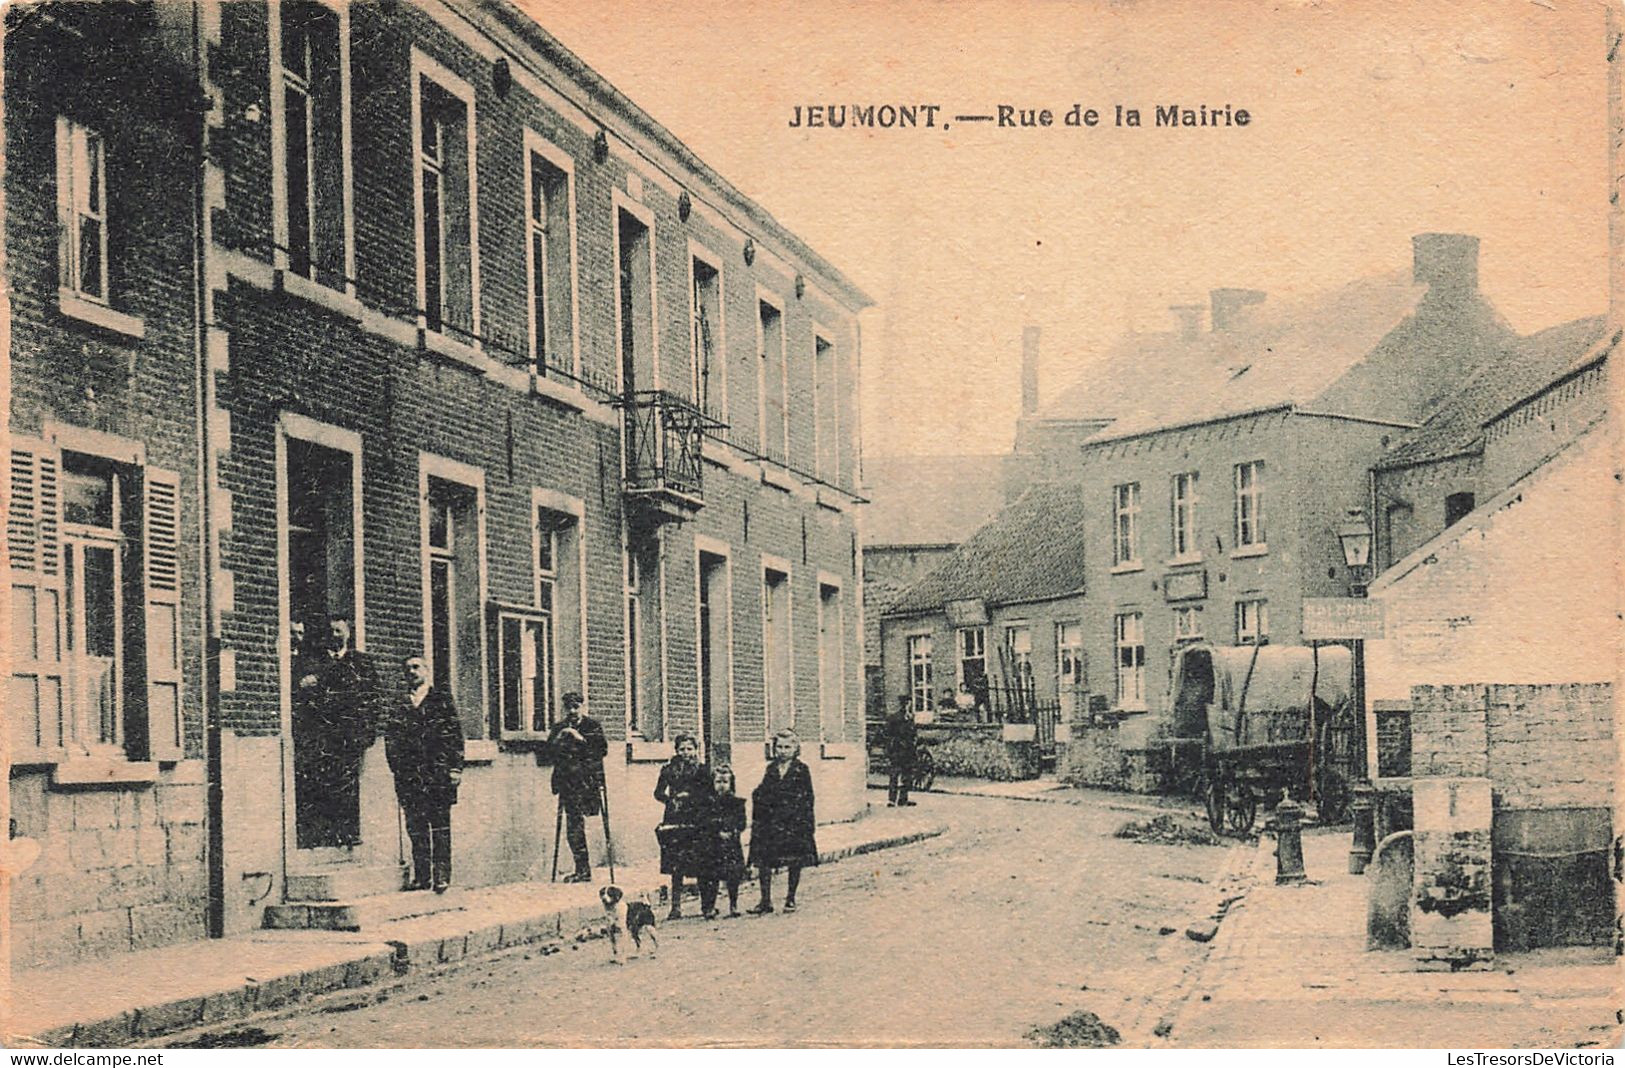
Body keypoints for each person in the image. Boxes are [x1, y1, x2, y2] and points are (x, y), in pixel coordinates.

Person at [296, 618, 380, 848]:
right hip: (324, 738)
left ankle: (349, 833)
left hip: (352, 737)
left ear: (348, 633)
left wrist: (367, 733)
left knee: (349, 784)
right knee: (324, 784)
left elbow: (372, 699)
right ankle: (327, 834)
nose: (334, 635)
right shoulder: (315, 661)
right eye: (331, 631)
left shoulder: (361, 662)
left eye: (339, 630)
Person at [385, 656, 465, 892]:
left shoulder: (441, 699)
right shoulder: (400, 703)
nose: (412, 672)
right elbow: (391, 739)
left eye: (416, 667)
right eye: (407, 668)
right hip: (409, 777)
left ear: (426, 671)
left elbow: (455, 736)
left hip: (438, 774)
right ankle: (422, 877)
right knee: (416, 828)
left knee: (440, 826)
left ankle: (441, 875)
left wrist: (455, 767)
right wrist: (397, 769)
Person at [748, 729, 818, 914]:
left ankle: (790, 898)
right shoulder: (771, 769)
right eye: (779, 747)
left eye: (787, 747)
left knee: (794, 860)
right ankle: (765, 901)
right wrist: (758, 795)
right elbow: (764, 790)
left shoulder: (801, 769)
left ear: (796, 748)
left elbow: (808, 798)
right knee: (764, 860)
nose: (783, 751)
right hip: (772, 823)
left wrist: (806, 823)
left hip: (792, 823)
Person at [546, 691, 608, 882]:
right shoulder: (559, 727)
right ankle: (583, 869)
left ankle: (584, 870)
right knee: (573, 827)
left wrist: (578, 737)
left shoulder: (592, 726)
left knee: (582, 821)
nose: (572, 711)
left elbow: (601, 751)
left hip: (588, 782)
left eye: (576, 706)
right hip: (567, 782)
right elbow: (547, 755)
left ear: (583, 706)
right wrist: (560, 738)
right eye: (568, 707)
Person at [653, 733, 712, 919]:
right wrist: (671, 800)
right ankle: (675, 907)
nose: (686, 753)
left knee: (701, 862)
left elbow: (710, 794)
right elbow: (658, 792)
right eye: (682, 749)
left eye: (689, 748)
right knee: (676, 864)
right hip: (675, 818)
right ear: (676, 750)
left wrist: (694, 798)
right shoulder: (669, 770)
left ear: (696, 750)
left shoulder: (703, 770)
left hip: (697, 819)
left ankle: (706, 906)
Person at [700, 765, 747, 920]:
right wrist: (717, 831)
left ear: (731, 783)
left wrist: (732, 832)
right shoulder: (706, 803)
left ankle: (733, 905)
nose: (721, 785)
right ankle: (710, 907)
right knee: (711, 876)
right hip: (712, 845)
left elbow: (742, 823)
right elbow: (704, 822)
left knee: (733, 875)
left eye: (725, 782)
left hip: (731, 845)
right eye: (718, 781)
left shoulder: (737, 803)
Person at [885, 695, 919, 807]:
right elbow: (888, 733)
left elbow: (913, 733)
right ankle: (892, 799)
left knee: (906, 775)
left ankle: (903, 799)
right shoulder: (895, 718)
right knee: (895, 774)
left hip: (908, 750)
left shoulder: (909, 717)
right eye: (909, 703)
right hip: (898, 749)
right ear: (905, 704)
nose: (910, 705)